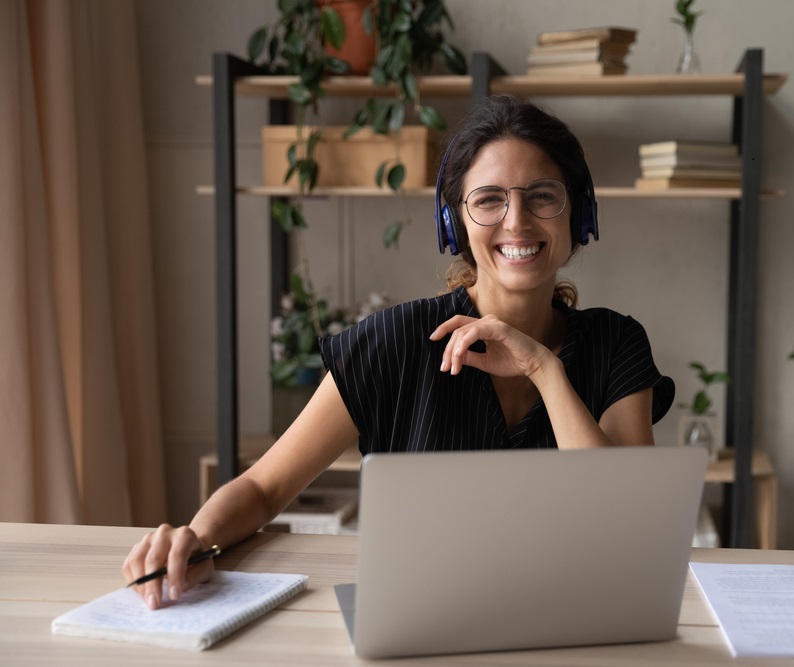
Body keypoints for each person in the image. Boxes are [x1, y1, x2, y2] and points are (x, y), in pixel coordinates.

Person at [122, 94, 674, 610]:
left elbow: (626, 525)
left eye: (542, 196)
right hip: (422, 624)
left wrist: (544, 368)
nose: (517, 220)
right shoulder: (393, 343)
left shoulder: (615, 344)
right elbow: (265, 488)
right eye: (488, 200)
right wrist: (195, 539)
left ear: (578, 215)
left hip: (577, 624)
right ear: (453, 221)